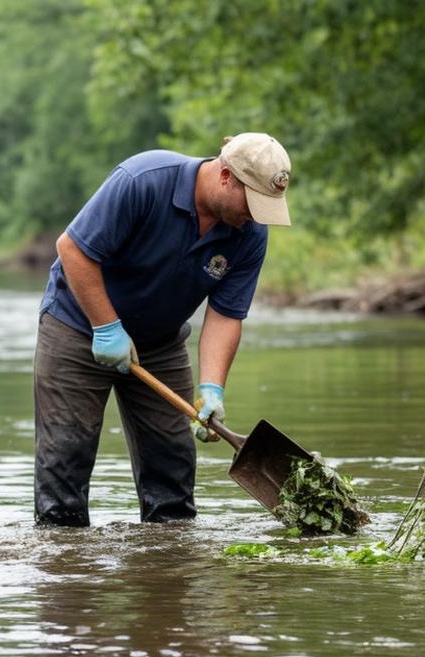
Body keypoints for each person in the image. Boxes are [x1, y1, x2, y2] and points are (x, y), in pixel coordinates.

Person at [34, 132, 292, 526]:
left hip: (160, 343)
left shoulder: (249, 234)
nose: (256, 216)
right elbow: (73, 248)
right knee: (66, 458)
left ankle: (167, 567)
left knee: (172, 469)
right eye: (253, 201)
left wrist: (212, 387)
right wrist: (107, 327)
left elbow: (225, 314)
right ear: (226, 176)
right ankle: (65, 561)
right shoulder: (143, 180)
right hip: (78, 328)